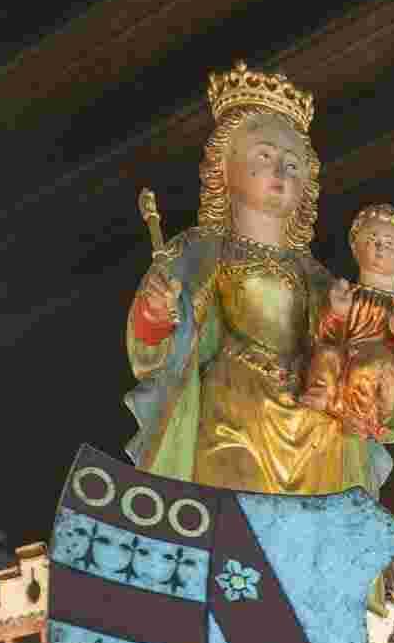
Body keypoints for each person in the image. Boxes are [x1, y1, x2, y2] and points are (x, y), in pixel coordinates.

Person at [125, 66, 370, 495]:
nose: (280, 171)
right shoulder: (200, 250)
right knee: (232, 512)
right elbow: (156, 342)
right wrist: (158, 313)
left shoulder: (315, 276)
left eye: (292, 165)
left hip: (312, 418)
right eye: (264, 156)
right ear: (225, 166)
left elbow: (342, 343)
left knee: (314, 519)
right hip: (235, 407)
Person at [297, 203, 394, 497]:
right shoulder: (348, 294)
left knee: (370, 365)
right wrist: (337, 312)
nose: (379, 247)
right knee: (327, 355)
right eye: (372, 240)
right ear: (355, 248)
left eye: (389, 243)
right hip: (344, 360)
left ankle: (359, 418)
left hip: (378, 368)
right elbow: (325, 335)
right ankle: (323, 394)